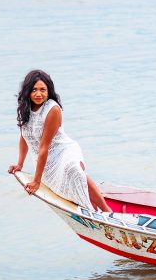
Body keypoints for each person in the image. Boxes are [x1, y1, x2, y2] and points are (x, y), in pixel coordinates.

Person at [8, 69, 111, 212]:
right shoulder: (24, 108)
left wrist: (37, 181)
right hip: (45, 161)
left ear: (49, 91)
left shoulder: (52, 110)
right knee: (64, 185)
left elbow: (44, 146)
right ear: (27, 92)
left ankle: (106, 210)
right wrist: (20, 164)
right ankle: (88, 204)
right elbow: (25, 137)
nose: (38, 94)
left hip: (62, 150)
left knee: (74, 169)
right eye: (34, 90)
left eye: (43, 90)